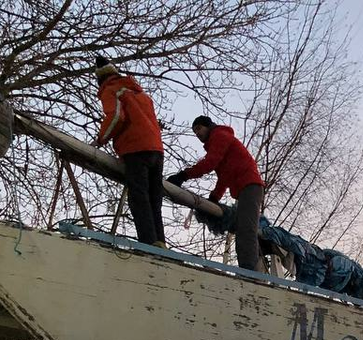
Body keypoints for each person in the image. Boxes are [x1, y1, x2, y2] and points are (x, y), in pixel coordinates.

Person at [168, 115, 265, 271]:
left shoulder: (219, 136)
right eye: (194, 132)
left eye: (199, 128)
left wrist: (183, 175)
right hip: (245, 188)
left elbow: (210, 163)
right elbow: (224, 176)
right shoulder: (220, 141)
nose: (197, 134)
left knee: (246, 229)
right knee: (244, 227)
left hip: (250, 185)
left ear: (208, 126)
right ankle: (253, 269)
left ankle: (249, 272)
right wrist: (214, 197)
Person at [93, 55, 166, 248]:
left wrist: (101, 139)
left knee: (139, 197)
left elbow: (117, 116)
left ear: (100, 79)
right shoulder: (140, 94)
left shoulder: (112, 90)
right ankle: (160, 241)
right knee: (154, 198)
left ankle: (149, 243)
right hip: (157, 150)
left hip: (135, 148)